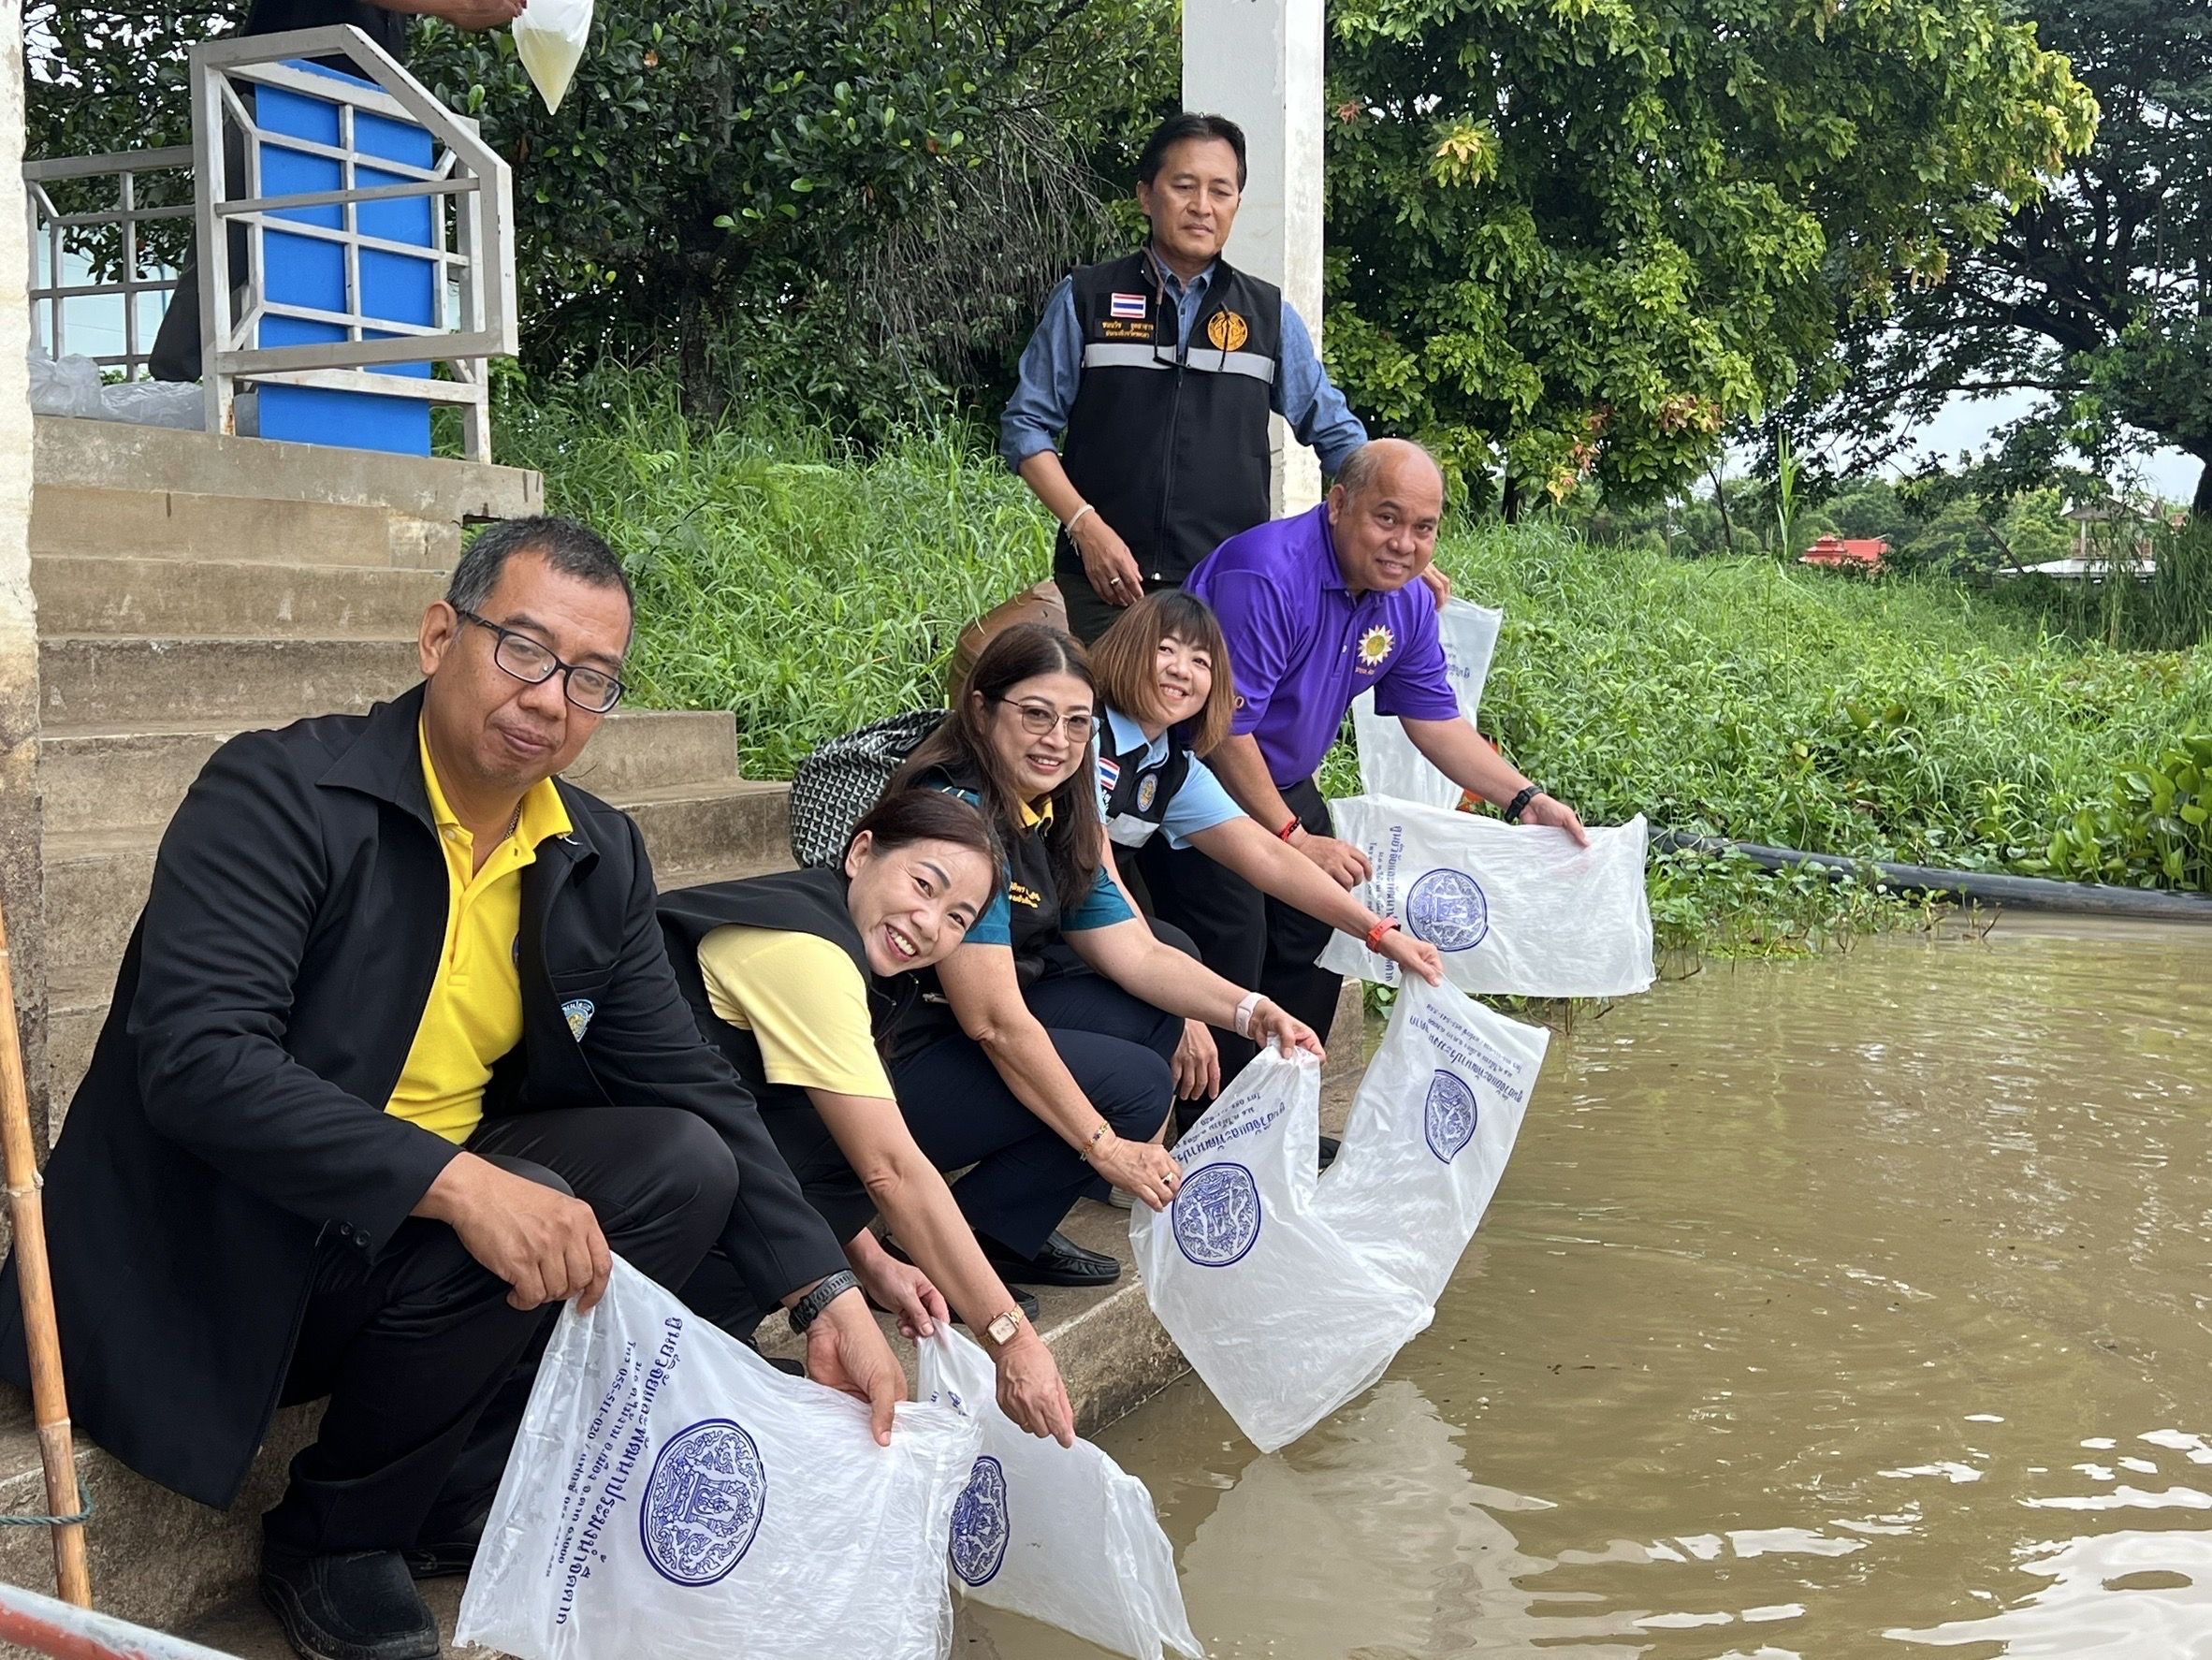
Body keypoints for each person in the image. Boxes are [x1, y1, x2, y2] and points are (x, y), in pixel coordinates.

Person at [0, 518, 903, 1660]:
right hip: (222, 1244)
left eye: (591, 678)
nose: (548, 697)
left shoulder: (593, 852)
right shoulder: (280, 794)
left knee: (684, 1166)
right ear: (440, 635)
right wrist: (459, 1182)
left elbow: (686, 1078)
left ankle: (433, 1498)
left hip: (403, 1231)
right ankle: (330, 1546)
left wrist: (822, 1293)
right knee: (507, 1203)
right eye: (521, 649)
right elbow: (200, 1059)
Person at [881, 623, 1325, 1288]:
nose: (1056, 740)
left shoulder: (1050, 810)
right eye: (1035, 714)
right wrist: (1106, 1149)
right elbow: (993, 1022)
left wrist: (1252, 1012)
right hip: (885, 1071)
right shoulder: (960, 821)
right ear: (980, 708)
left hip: (955, 1031)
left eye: (1076, 723)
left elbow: (1138, 954)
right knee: (1136, 1084)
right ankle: (930, 1245)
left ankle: (992, 1227)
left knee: (1151, 1015)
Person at [1160, 438, 1591, 1099]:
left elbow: (1436, 720)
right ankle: (1214, 1148)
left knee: (1321, 936)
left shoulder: (1407, 600)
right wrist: (1295, 840)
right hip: (1195, 773)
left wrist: (1525, 798)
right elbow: (1222, 731)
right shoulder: (1267, 576)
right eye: (1386, 518)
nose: (1404, 544)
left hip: (1283, 781)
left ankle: (1281, 1121)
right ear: (1338, 505)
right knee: (1236, 941)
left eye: (1424, 529)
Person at [659, 790, 1079, 1447]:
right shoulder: (808, 952)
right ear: (861, 853)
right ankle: (674, 1352)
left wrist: (872, 1260)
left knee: (828, 1143)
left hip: (675, 1140)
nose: (928, 922)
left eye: (958, 917)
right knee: (829, 1156)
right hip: (614, 1158)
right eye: (922, 883)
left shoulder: (859, 954)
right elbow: (890, 1171)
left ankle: (708, 1342)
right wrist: (1011, 1339)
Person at [1001, 111, 1440, 645]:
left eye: (1221, 191)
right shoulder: (1086, 299)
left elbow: (1336, 433)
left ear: (1236, 203)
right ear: (1146, 194)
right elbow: (1026, 430)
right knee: (1123, 725)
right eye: (1183, 186)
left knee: (1220, 727)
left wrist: (1390, 530)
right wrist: (1085, 528)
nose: (1202, 206)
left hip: (1231, 584)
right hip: (1110, 582)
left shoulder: (1266, 315)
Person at [1087, 590, 1447, 1105]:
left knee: (1183, 958)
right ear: (1127, 649)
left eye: (1201, 661)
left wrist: (1381, 935)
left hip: (1082, 920)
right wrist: (1173, 1004)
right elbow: (1097, 878)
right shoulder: (1083, 731)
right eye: (1165, 649)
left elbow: (1268, 857)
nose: (1181, 670)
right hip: (1030, 920)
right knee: (1172, 978)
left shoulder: (1171, 764)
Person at [150, 0, 528, 384]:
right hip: (274, 106)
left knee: (327, 268)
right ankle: (173, 386)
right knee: (230, 251)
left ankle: (282, 395)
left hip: (356, 125)